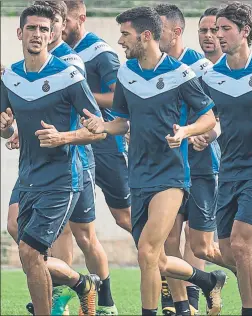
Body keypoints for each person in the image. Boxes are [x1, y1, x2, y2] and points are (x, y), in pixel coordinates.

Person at [82, 6, 228, 316]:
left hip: (171, 175)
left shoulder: (180, 73)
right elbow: (121, 120)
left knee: (147, 252)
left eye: (125, 34)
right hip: (138, 176)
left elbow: (208, 117)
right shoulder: (126, 73)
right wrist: (102, 126)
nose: (120, 41)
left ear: (145, 36)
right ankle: (205, 282)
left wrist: (186, 131)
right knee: (156, 256)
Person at [5, 2, 118, 315]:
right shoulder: (11, 76)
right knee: (28, 249)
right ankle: (82, 283)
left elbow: (99, 130)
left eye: (44, 28)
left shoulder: (69, 74)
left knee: (33, 251)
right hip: (27, 177)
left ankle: (92, 296)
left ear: (52, 32)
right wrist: (6, 129)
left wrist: (64, 137)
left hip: (62, 177)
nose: (38, 34)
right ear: (20, 32)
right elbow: (6, 125)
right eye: (32, 28)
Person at [202, 2, 252, 315]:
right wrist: (203, 135)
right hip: (228, 169)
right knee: (224, 249)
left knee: (242, 243)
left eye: (225, 29)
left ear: (245, 31)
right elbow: (212, 119)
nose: (218, 35)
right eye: (215, 29)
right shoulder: (212, 77)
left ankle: (248, 310)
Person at [154, 5, 220, 315]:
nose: (154, 36)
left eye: (159, 29)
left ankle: (206, 286)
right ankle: (181, 305)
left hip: (201, 165)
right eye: (204, 30)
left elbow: (218, 117)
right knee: (168, 236)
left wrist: (205, 135)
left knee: (199, 244)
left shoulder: (203, 67)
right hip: (167, 166)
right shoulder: (154, 67)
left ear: (175, 32)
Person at [62, 0, 132, 234]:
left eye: (66, 22)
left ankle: (164, 260)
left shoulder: (100, 52)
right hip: (77, 144)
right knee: (69, 223)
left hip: (107, 144)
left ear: (81, 19)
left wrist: (80, 94)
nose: (60, 28)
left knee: (124, 217)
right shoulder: (58, 52)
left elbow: (120, 98)